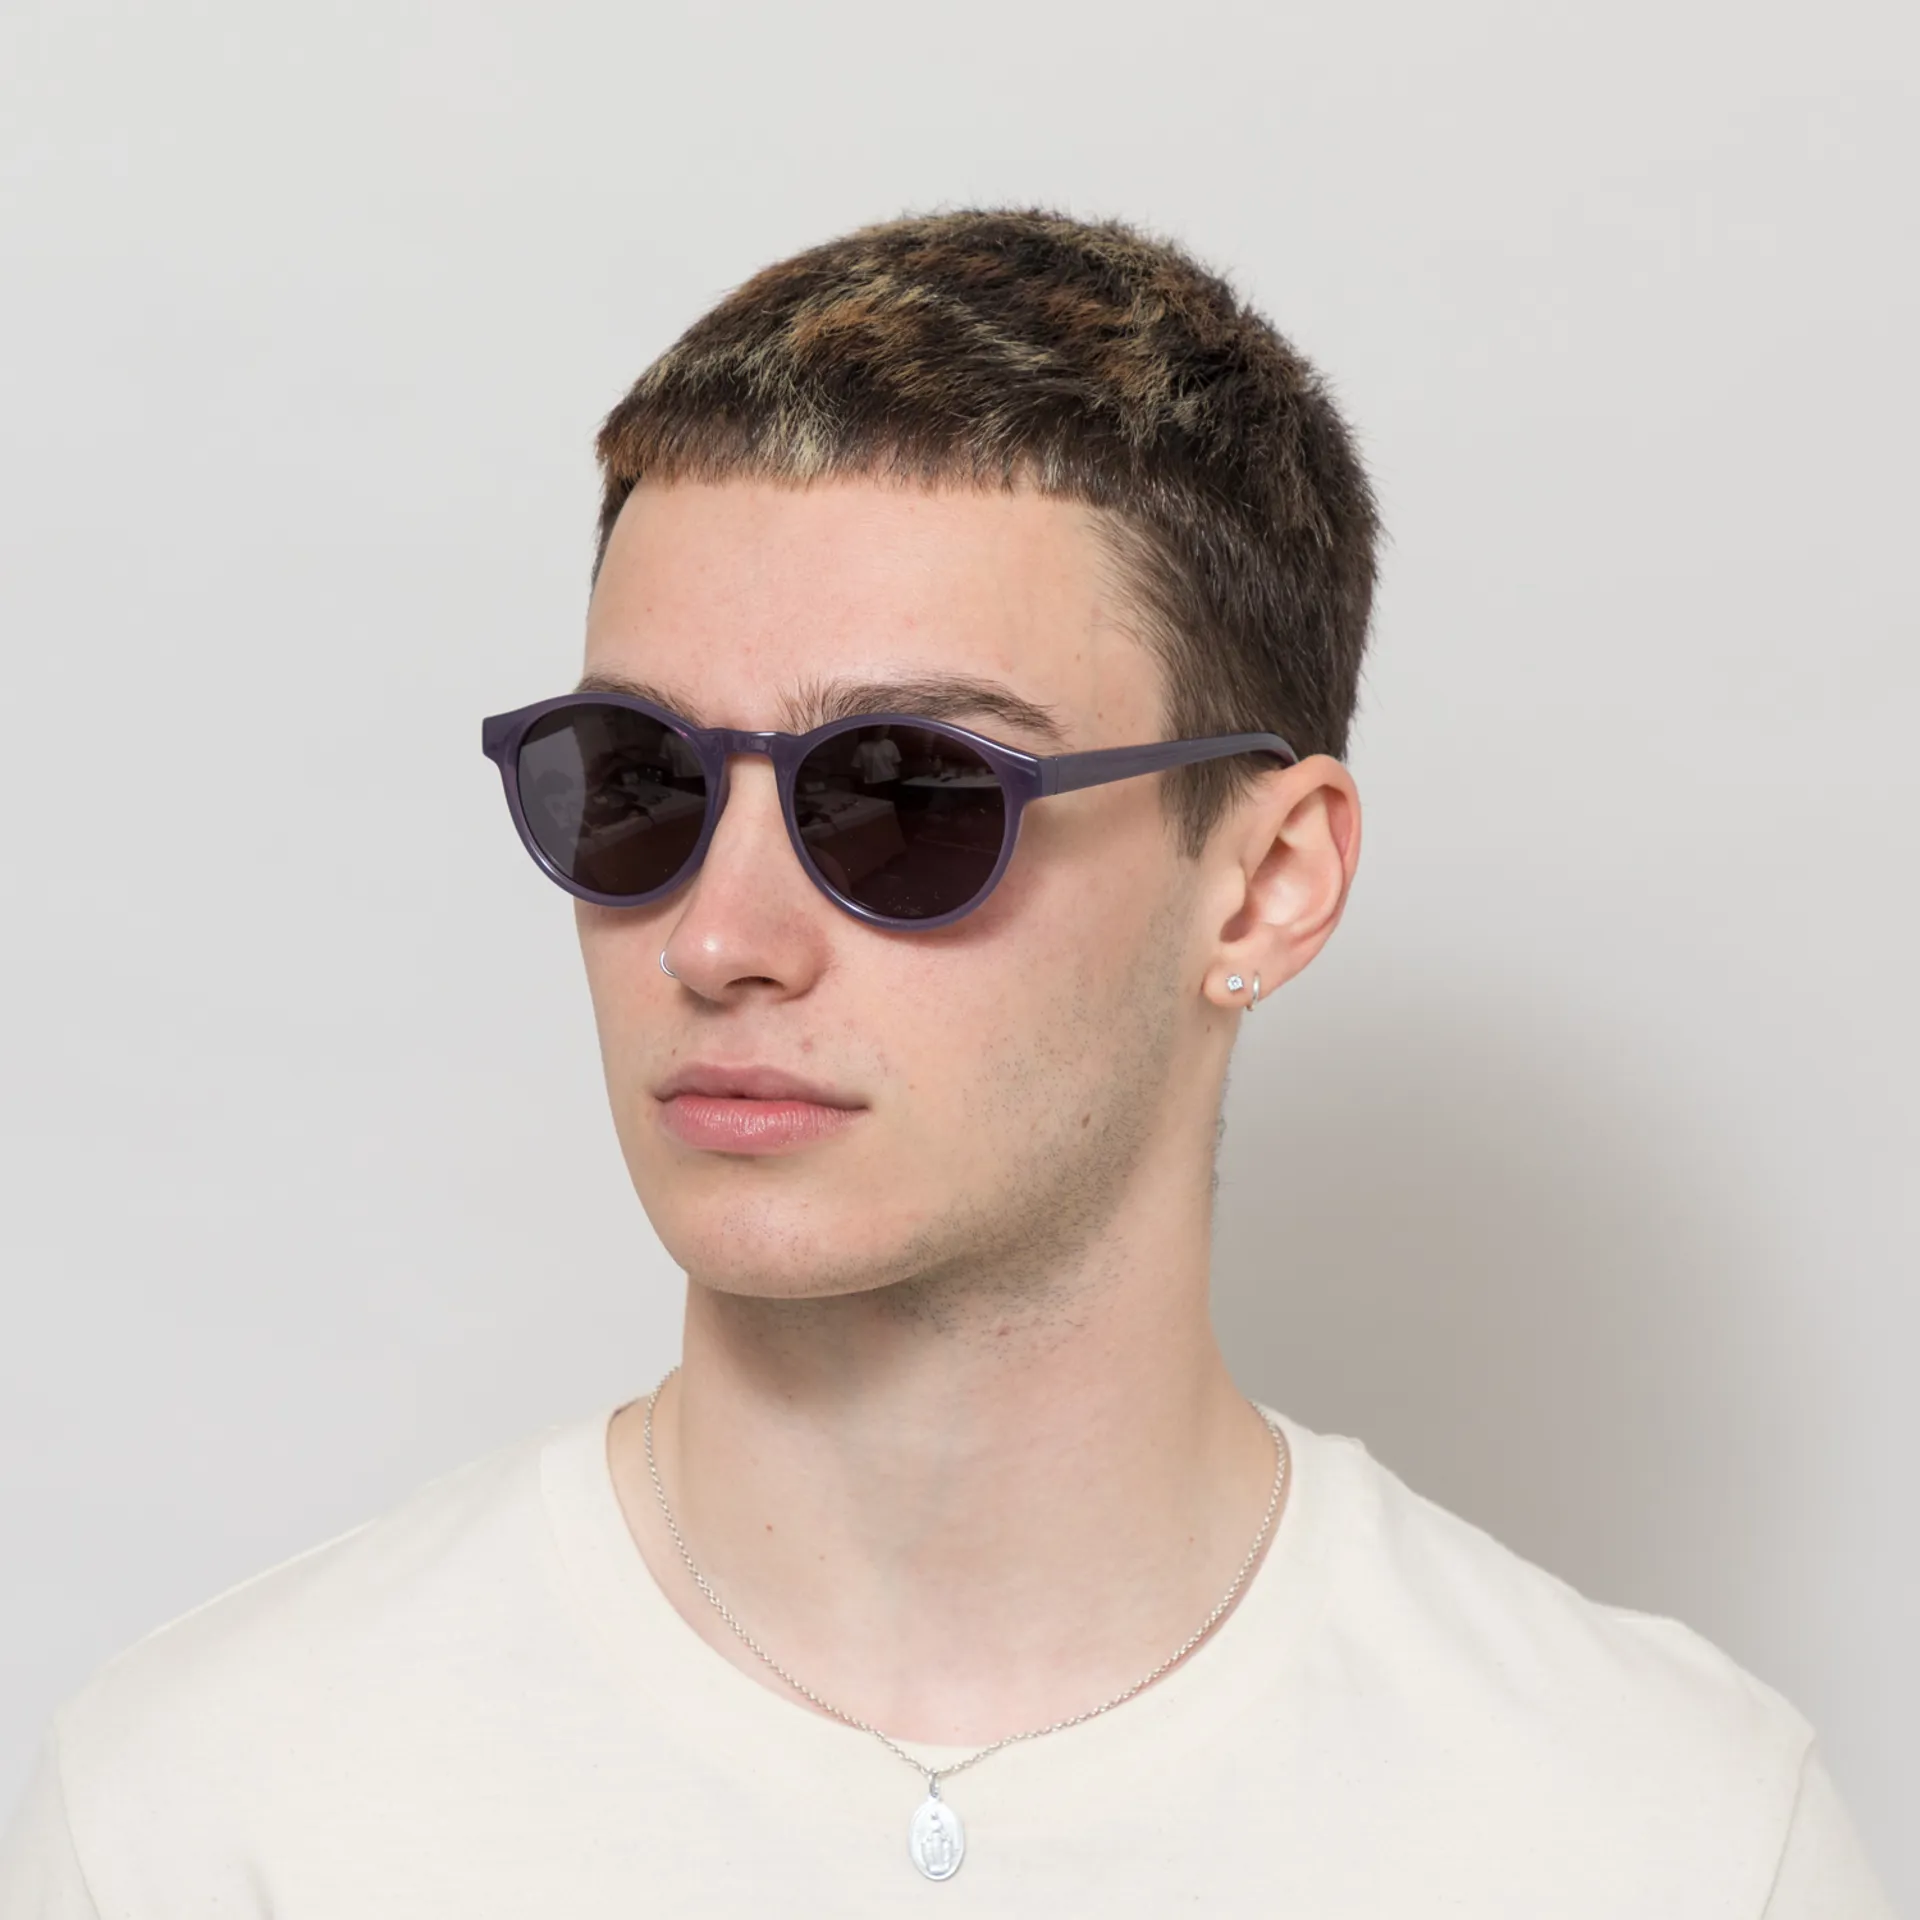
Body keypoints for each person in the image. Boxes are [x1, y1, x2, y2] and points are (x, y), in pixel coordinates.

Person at [0, 209, 1893, 1916]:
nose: (720, 940)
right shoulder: (213, 1817)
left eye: (907, 797)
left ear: (1265, 885)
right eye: (640, 783)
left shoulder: (1668, 1844)